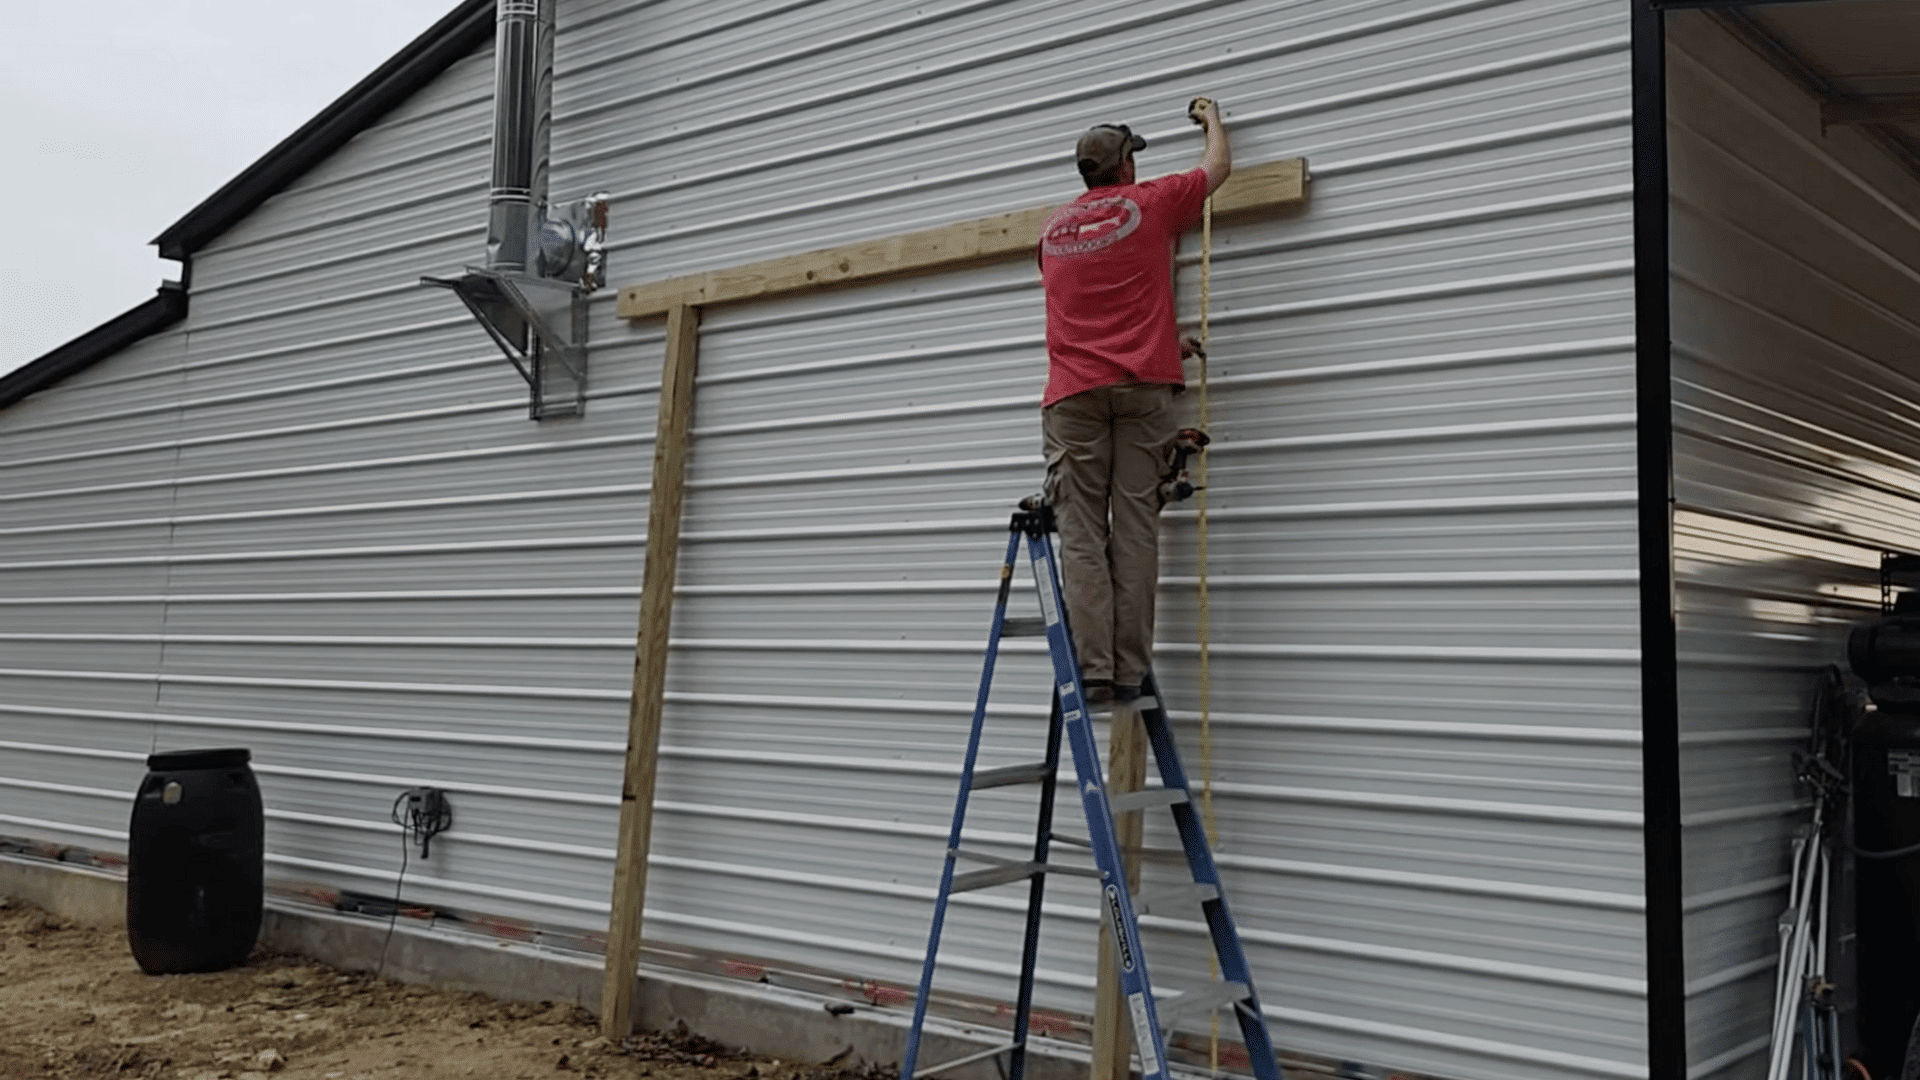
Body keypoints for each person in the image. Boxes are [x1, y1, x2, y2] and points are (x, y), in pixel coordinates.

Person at [1036, 98, 1231, 705]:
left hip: (1074, 396)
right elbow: (1216, 168)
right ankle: (1127, 672)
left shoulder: (1051, 231)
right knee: (1136, 529)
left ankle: (1093, 672)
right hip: (1143, 389)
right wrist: (1214, 121)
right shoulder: (1150, 204)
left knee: (1082, 533)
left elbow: (1093, 310)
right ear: (1124, 168)